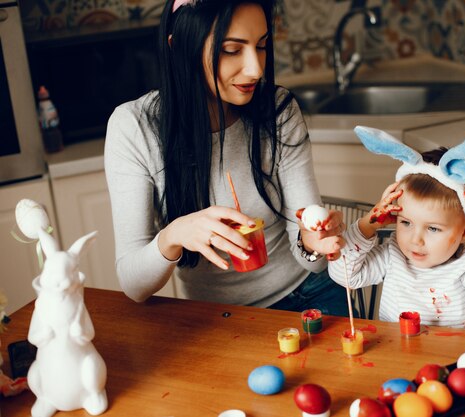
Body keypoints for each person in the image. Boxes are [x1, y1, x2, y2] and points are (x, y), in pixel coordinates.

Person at [104, 0, 349, 316]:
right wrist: (174, 235)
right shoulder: (134, 128)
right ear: (179, 47)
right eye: (232, 50)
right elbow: (135, 286)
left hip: (310, 297)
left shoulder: (278, 111)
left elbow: (308, 262)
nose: (255, 69)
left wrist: (313, 242)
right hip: (216, 320)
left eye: (261, 46)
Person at [329, 128, 465, 330]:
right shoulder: (393, 256)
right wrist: (367, 225)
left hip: (456, 361)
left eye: (433, 229)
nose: (416, 240)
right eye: (406, 223)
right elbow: (343, 274)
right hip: (398, 357)